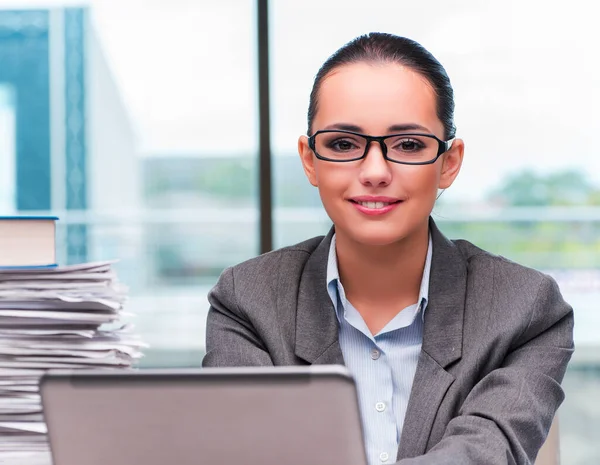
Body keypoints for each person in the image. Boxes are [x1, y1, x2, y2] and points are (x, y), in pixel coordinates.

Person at [202, 32, 574, 465]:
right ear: (309, 160)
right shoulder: (246, 300)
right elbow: (253, 452)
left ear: (448, 163)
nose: (375, 172)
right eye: (343, 144)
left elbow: (481, 453)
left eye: (408, 145)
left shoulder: (526, 308)